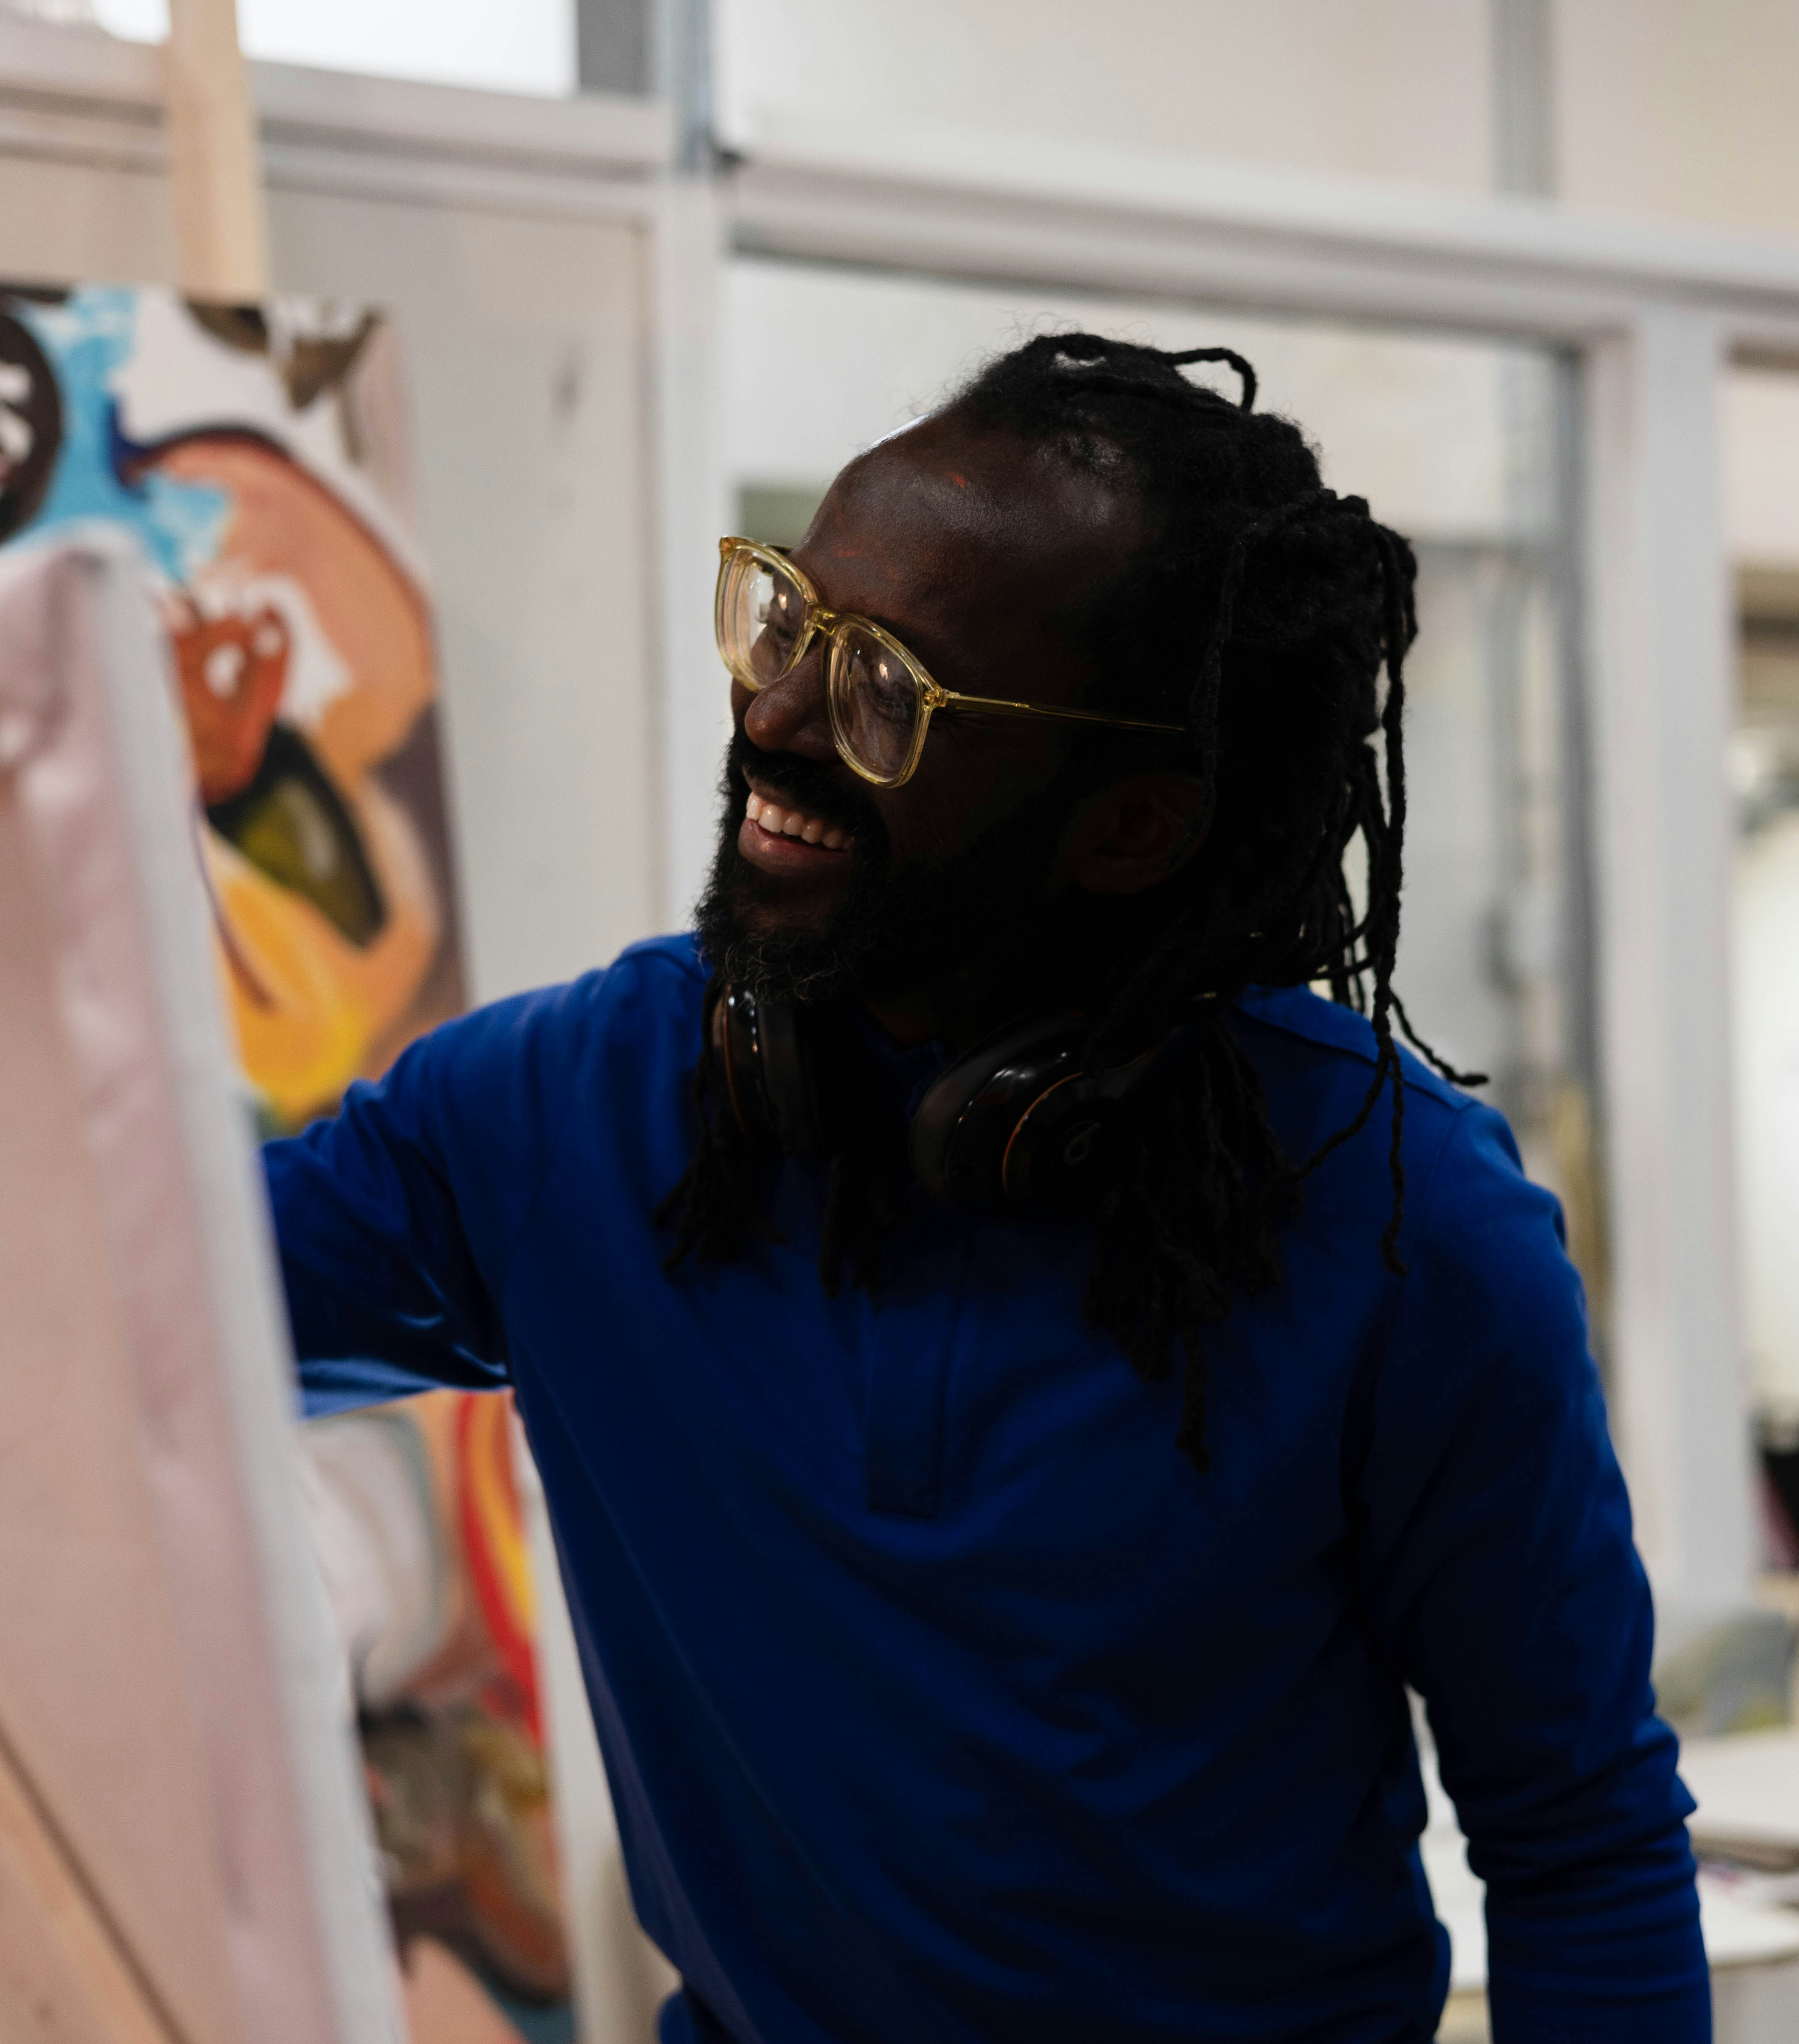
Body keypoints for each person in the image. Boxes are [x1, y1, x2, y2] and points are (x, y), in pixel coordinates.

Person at [268, 335, 1708, 2044]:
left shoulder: (1399, 1220)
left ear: (1132, 822)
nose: (778, 717)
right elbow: (118, 1295)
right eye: (788, 619)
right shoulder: (560, 1111)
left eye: (889, 691)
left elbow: (1578, 1835)